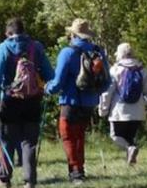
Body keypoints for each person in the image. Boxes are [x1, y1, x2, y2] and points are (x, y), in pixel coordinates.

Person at [0, 17, 54, 188]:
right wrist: (48, 89)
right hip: (32, 100)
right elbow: (50, 74)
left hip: (10, 100)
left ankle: (4, 179)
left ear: (8, 33)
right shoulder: (36, 47)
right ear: (24, 30)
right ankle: (30, 181)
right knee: (29, 141)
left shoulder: (4, 47)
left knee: (6, 139)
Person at [45, 19, 110, 184]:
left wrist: (47, 88)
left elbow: (57, 83)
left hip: (69, 101)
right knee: (80, 136)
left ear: (73, 34)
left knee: (68, 137)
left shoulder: (67, 52)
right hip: (89, 103)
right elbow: (107, 82)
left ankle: (75, 173)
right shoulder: (98, 52)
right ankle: (79, 170)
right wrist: (95, 93)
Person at [99, 43, 147, 166]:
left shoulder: (115, 70)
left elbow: (107, 92)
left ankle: (130, 149)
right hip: (138, 111)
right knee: (130, 137)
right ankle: (130, 162)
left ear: (120, 54)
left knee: (115, 136)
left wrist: (103, 109)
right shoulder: (141, 70)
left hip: (119, 111)